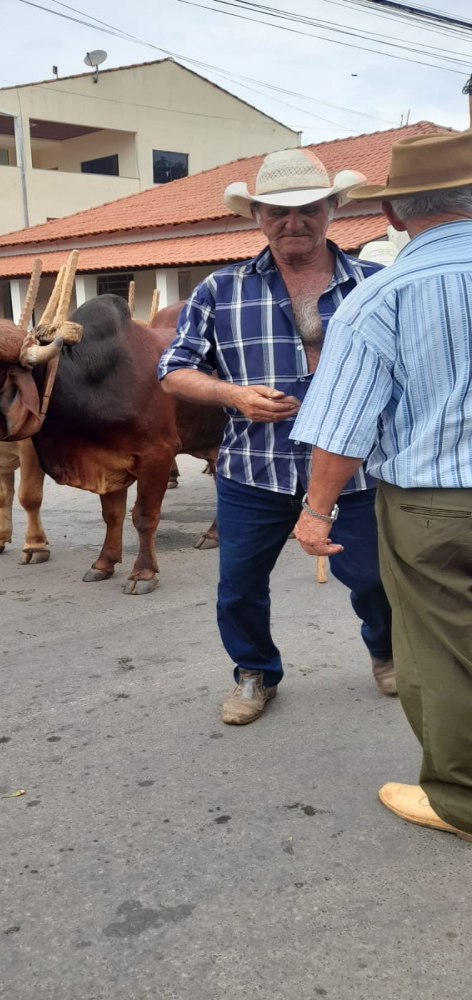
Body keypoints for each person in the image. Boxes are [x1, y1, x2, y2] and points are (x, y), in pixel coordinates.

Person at [158, 147, 394, 726]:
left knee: (371, 574)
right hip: (254, 468)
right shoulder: (220, 289)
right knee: (240, 584)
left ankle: (386, 651)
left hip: (359, 469)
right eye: (277, 212)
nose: (293, 223)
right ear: (256, 216)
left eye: (309, 208)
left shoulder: (376, 284)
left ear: (334, 207)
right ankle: (254, 672)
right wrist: (232, 395)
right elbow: (173, 369)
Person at [292, 129, 472, 841]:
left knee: (439, 652)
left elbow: (342, 427)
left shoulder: (380, 297)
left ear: (395, 216)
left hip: (432, 506)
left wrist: (315, 513)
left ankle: (461, 800)